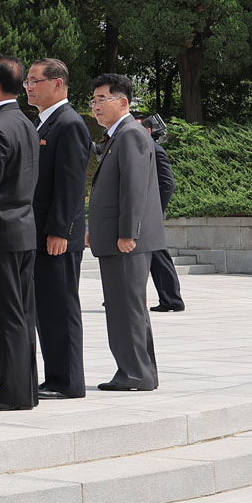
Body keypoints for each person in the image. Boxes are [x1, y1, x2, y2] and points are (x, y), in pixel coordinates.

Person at [85, 74, 163, 392]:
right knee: (127, 305)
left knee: (125, 306)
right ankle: (140, 371)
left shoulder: (129, 135)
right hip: (117, 237)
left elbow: (133, 188)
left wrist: (128, 233)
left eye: (103, 99)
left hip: (126, 241)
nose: (96, 106)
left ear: (123, 102)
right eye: (93, 100)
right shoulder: (119, 136)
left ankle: (135, 373)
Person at [0, 56, 41, 411]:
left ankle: (14, 391)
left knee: (3, 318)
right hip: (22, 231)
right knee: (20, 315)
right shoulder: (24, 122)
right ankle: (23, 388)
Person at [27, 59, 90, 401]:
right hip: (41, 232)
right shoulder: (43, 124)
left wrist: (61, 231)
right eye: (27, 81)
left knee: (61, 306)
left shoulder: (69, 124)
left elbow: (71, 184)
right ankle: (55, 376)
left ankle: (68, 381)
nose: (29, 87)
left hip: (56, 235)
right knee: (47, 307)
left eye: (35, 80)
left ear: (58, 83)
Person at [141, 113, 185, 313]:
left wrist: (155, 211)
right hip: (145, 213)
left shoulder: (156, 150)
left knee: (159, 256)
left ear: (149, 131)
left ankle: (172, 299)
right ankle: (170, 298)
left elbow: (168, 184)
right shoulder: (143, 150)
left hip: (151, 214)